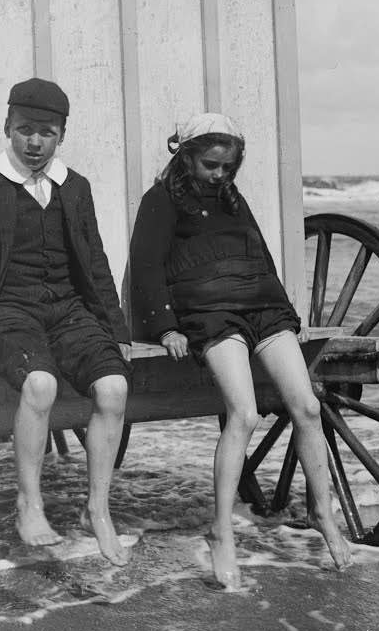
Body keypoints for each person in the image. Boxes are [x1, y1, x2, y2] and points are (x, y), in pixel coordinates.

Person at [129, 112, 351, 589]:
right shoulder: (161, 200)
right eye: (211, 165)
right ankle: (221, 529)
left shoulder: (232, 197)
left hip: (261, 308)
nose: (221, 175)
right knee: (244, 414)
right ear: (186, 156)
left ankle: (321, 511)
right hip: (211, 316)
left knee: (308, 407)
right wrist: (167, 327)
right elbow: (146, 266)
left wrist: (283, 314)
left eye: (228, 167)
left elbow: (261, 255)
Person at [0, 78, 132, 566]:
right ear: (7, 128)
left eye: (46, 132)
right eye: (24, 130)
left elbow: (97, 263)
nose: (34, 142)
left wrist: (117, 330)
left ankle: (97, 510)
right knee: (39, 385)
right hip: (7, 310)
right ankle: (29, 503)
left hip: (67, 309)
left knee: (114, 389)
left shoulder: (74, 188)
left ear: (61, 134)